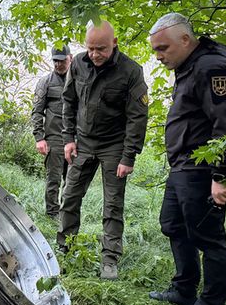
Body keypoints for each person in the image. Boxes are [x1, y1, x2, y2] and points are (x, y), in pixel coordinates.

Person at [148, 13, 226, 305]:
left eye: (163, 48)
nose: (159, 56)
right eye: (155, 50)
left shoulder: (211, 67)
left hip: (203, 169)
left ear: (185, 40)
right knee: (173, 224)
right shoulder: (188, 65)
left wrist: (222, 176)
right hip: (183, 165)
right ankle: (184, 289)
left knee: (208, 237)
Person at [57, 20, 149, 280]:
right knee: (70, 196)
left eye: (102, 49)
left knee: (112, 204)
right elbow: (69, 101)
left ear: (115, 43)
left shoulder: (131, 71)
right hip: (83, 143)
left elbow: (137, 117)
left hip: (114, 146)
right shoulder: (77, 64)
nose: (95, 54)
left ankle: (109, 259)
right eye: (91, 48)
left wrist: (128, 155)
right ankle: (65, 249)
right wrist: (68, 138)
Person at [32, 45, 73, 218]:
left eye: (62, 60)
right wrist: (39, 138)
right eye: (55, 61)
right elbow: (36, 111)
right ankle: (52, 214)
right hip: (54, 139)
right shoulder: (45, 82)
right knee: (53, 180)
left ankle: (68, 213)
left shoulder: (79, 81)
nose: (58, 64)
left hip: (75, 139)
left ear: (70, 58)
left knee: (72, 182)